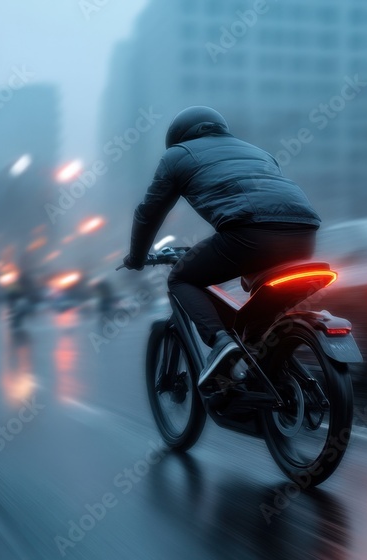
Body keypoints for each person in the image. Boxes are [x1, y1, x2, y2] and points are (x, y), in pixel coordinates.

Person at [122, 106, 321, 382]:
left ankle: (219, 341)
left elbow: (149, 213)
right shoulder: (258, 151)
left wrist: (136, 257)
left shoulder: (178, 155)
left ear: (179, 136)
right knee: (254, 323)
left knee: (181, 278)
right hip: (304, 234)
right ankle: (265, 379)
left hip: (249, 235)